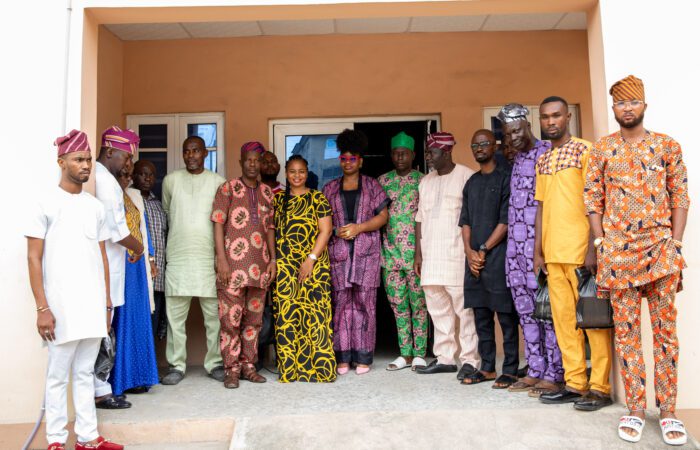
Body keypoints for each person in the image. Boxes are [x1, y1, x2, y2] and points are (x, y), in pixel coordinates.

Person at [585, 76, 689, 445]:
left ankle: (669, 411)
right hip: (618, 255)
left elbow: (680, 197)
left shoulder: (667, 146)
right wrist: (600, 242)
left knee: (665, 336)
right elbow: (593, 199)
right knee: (627, 336)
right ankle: (635, 409)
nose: (627, 108)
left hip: (660, 252)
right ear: (613, 109)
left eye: (633, 102)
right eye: (620, 103)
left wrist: (675, 244)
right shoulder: (602, 149)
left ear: (645, 105)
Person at [26, 130, 124, 450]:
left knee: (85, 372)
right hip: (60, 306)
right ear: (61, 161)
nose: (85, 166)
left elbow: (102, 256)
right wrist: (43, 308)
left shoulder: (94, 206)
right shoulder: (44, 202)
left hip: (92, 304)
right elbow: (33, 257)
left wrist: (107, 303)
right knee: (58, 375)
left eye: (88, 161)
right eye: (79, 160)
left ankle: (88, 438)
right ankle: (55, 440)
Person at [534, 96, 613, 408]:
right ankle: (576, 382)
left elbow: (596, 201)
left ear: (567, 117)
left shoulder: (585, 150)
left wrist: (595, 246)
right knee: (564, 323)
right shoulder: (543, 160)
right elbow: (540, 208)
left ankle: (600, 387)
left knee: (593, 320)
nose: (551, 122)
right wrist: (537, 251)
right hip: (553, 256)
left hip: (582, 254)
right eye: (545, 117)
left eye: (556, 116)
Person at [497, 104, 565, 394]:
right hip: (515, 254)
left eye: (516, 131)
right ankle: (536, 368)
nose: (511, 138)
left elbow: (548, 205)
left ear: (528, 126)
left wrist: (542, 251)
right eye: (506, 133)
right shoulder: (515, 158)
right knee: (526, 314)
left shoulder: (548, 152)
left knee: (547, 313)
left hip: (540, 251)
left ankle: (555, 372)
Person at [414, 132, 480, 380]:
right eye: (428, 152)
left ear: (447, 151)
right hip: (431, 256)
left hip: (456, 256)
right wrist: (418, 255)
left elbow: (472, 219)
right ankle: (444, 358)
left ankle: (470, 360)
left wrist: (471, 251)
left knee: (465, 312)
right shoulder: (426, 182)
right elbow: (419, 218)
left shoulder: (467, 177)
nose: (429, 157)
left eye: (433, 153)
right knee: (437, 310)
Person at [323, 129, 389, 374]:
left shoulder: (372, 186)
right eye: (344, 158)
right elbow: (322, 221)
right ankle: (342, 357)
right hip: (339, 255)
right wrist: (334, 231)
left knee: (365, 306)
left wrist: (360, 227)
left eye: (353, 159)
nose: (348, 163)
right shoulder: (329, 189)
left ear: (360, 161)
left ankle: (363, 357)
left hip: (366, 255)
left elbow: (384, 216)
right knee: (340, 306)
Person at [161, 136, 226, 385]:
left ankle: (215, 363)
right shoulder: (171, 181)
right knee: (175, 318)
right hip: (178, 258)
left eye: (196, 151)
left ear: (205, 154)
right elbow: (168, 212)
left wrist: (220, 259)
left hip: (207, 259)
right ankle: (176, 365)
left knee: (214, 318)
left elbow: (222, 220)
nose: (191, 156)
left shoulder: (218, 182)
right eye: (186, 151)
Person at [211, 141, 276, 388]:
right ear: (240, 162)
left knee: (254, 322)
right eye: (247, 160)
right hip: (233, 269)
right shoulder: (227, 189)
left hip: (260, 268)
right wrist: (222, 260)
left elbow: (269, 228)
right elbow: (218, 223)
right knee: (230, 321)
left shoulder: (267, 193)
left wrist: (273, 259)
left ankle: (249, 366)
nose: (252, 164)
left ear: (261, 163)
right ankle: (231, 370)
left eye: (256, 160)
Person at [459, 129, 519, 388]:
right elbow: (465, 221)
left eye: (484, 143)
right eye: (475, 145)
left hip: (499, 258)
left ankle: (510, 369)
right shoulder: (471, 182)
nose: (479, 148)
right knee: (481, 316)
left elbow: (506, 221)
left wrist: (482, 250)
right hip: (474, 262)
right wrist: (469, 252)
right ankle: (487, 367)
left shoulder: (506, 178)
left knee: (506, 318)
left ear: (494, 146)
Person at [94, 126, 144, 410]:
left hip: (111, 269)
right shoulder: (105, 182)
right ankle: (101, 391)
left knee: (105, 328)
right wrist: (137, 247)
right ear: (110, 151)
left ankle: (102, 387)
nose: (128, 164)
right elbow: (117, 231)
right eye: (125, 157)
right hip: (106, 271)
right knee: (102, 329)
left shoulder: (106, 179)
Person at [273, 155, 336, 382]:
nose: (297, 176)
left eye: (301, 171)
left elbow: (325, 231)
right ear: (286, 174)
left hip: (314, 265)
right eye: (292, 171)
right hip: (286, 267)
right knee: (288, 317)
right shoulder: (278, 200)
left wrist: (310, 259)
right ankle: (292, 370)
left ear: (307, 173)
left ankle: (320, 370)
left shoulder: (318, 198)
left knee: (315, 316)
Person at [107, 162, 160, 397]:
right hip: (121, 266)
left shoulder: (133, 197)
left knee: (138, 321)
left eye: (128, 176)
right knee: (121, 322)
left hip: (137, 265)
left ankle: (138, 378)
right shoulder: (108, 195)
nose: (126, 179)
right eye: (123, 175)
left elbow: (143, 229)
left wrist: (149, 259)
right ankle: (118, 381)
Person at [377, 132, 428, 371]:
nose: (400, 157)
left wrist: (420, 253)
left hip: (417, 255)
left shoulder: (424, 181)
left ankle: (419, 353)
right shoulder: (382, 182)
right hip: (390, 255)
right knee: (398, 306)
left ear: (413, 155)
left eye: (404, 153)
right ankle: (404, 353)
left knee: (419, 305)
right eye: (396, 153)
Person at [132, 159, 168, 340]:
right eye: (142, 174)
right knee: (137, 325)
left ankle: (150, 366)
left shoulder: (158, 204)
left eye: (151, 174)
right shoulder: (130, 200)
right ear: (133, 175)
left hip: (159, 278)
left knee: (153, 326)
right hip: (138, 276)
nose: (147, 178)